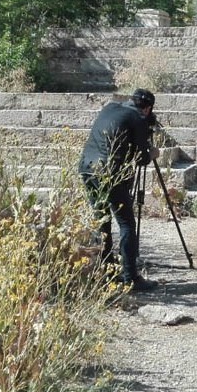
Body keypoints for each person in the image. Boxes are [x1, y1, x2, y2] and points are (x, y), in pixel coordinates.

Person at [79, 89, 160, 292]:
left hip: (87, 167)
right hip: (109, 172)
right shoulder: (139, 118)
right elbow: (141, 158)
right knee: (126, 223)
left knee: (102, 220)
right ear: (147, 108)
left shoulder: (110, 107)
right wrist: (153, 153)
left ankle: (106, 272)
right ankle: (130, 277)